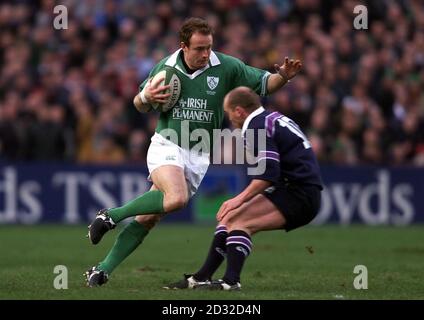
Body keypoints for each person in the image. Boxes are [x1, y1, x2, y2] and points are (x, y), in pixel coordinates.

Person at [84, 17, 302, 287]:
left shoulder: (226, 66)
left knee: (148, 218)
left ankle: (102, 270)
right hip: (168, 143)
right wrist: (147, 98)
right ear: (183, 46)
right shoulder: (166, 70)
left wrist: (283, 77)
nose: (205, 54)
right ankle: (111, 215)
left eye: (208, 47)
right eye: (199, 48)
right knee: (176, 198)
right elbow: (139, 102)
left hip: (199, 155)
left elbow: (265, 83)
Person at [165, 86, 323, 290]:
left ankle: (231, 281)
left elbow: (268, 174)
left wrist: (238, 199)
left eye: (229, 113)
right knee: (228, 219)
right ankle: (202, 277)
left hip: (299, 193)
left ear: (239, 111)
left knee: (239, 219)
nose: (229, 119)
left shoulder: (255, 126)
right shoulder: (268, 118)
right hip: (295, 188)